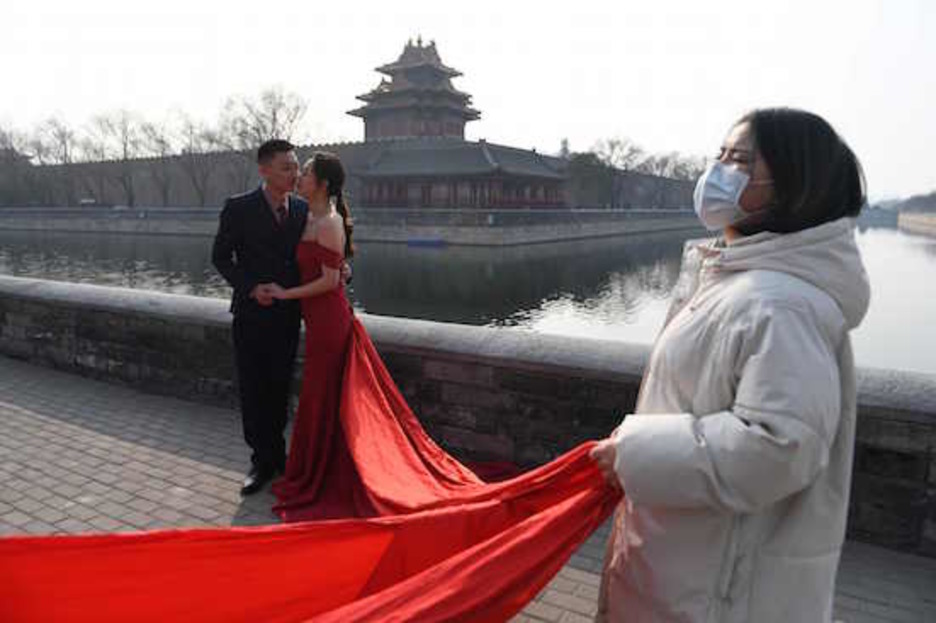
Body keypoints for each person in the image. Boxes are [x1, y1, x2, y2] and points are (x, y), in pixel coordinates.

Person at [589, 108, 871, 622]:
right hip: (682, 564)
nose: (717, 171)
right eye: (719, 156)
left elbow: (778, 446)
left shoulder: (780, 305)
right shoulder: (738, 282)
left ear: (795, 185)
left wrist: (635, 452)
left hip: (715, 591)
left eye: (739, 161)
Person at [211, 139, 308, 495]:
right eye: (286, 167)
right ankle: (260, 460)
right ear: (264, 169)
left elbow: (314, 258)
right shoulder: (238, 208)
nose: (294, 174)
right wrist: (252, 287)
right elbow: (221, 258)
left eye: (296, 167)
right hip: (252, 314)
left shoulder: (301, 210)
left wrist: (341, 271)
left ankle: (277, 455)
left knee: (280, 388)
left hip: (287, 315)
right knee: (254, 388)